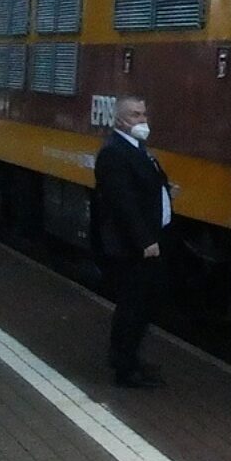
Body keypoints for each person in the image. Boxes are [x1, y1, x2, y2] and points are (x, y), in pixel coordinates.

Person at [91, 96, 175, 388]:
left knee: (144, 304)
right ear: (120, 120)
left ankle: (132, 359)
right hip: (133, 247)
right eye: (136, 115)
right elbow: (122, 203)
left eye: (144, 114)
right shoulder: (113, 153)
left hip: (147, 241)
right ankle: (124, 368)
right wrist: (145, 241)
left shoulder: (137, 149)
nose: (143, 120)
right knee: (132, 306)